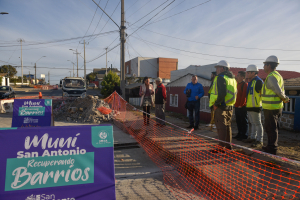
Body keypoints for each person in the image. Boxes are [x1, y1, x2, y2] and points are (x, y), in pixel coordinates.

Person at [261, 55, 289, 155]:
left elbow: (278, 91)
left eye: (264, 65)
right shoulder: (278, 75)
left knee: (271, 128)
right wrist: (284, 98)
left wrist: (285, 98)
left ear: (269, 65)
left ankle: (272, 148)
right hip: (276, 107)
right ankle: (271, 146)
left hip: (271, 108)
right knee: (273, 127)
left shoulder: (271, 77)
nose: (263, 67)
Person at [209, 60, 237, 152]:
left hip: (221, 106)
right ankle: (228, 146)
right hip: (230, 106)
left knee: (221, 128)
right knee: (227, 127)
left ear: (222, 68)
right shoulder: (232, 79)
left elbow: (222, 93)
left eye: (217, 68)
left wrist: (216, 104)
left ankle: (221, 149)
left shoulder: (220, 77)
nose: (216, 70)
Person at [243, 65, 264, 147]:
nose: (247, 74)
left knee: (258, 123)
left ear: (253, 72)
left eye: (248, 72)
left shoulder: (258, 81)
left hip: (256, 106)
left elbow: (262, 94)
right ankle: (252, 137)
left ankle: (259, 140)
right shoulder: (251, 82)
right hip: (250, 106)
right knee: (252, 122)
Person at [233, 71, 249, 141]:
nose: (237, 77)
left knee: (243, 121)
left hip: (242, 106)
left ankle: (244, 135)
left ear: (242, 77)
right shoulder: (237, 84)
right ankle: (239, 133)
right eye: (237, 75)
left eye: (239, 76)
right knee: (238, 120)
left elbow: (244, 96)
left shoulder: (245, 84)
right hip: (236, 105)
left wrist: (241, 105)